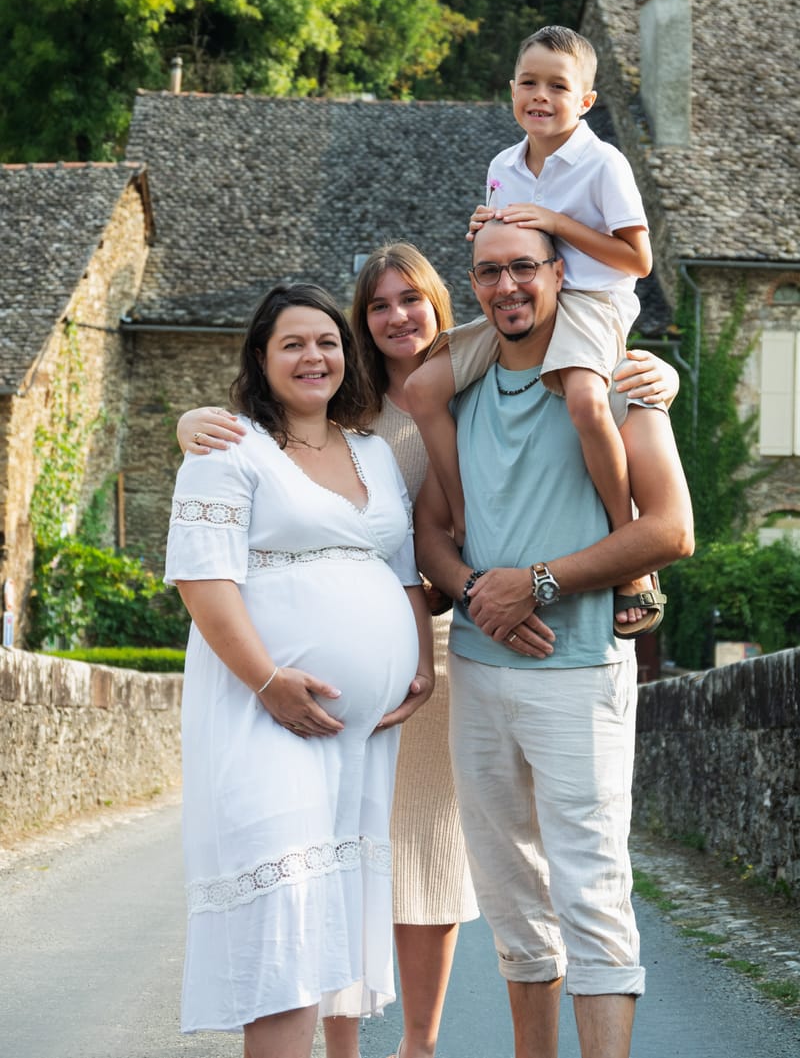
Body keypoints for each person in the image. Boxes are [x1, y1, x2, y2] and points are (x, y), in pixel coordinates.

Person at [177, 247, 679, 1058]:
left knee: (467, 864)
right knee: (351, 863)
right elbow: (416, 534)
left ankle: (420, 1043)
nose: (396, 317)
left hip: (486, 658)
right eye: (377, 306)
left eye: (412, 298)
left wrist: (533, 584)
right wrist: (187, 420)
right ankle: (348, 1047)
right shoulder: (365, 411)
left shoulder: (538, 380)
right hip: (452, 645)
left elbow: (663, 515)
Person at [413, 219, 694, 1058]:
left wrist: (535, 582)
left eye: (524, 268)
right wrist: (474, 590)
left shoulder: (620, 383)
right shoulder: (458, 391)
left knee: (591, 890)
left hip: (578, 675)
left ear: (560, 273)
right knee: (509, 893)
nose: (508, 286)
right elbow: (430, 530)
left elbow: (672, 529)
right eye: (489, 272)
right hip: (479, 669)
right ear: (474, 285)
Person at [165, 282, 434, 1058]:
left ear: (346, 357)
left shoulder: (375, 452)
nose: (313, 356)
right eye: (292, 343)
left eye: (326, 341)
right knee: (283, 908)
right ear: (261, 357)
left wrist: (418, 666)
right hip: (263, 713)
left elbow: (403, 568)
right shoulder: (226, 446)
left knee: (327, 912)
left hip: (364, 732)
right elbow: (202, 579)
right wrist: (267, 681)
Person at [407, 25, 667, 634]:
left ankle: (626, 547)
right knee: (422, 389)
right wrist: (486, 225)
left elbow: (639, 261)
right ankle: (466, 521)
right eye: (529, 82)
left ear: (585, 101)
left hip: (590, 304)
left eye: (558, 86)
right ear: (512, 90)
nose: (540, 96)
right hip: (523, 298)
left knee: (584, 399)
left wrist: (556, 221)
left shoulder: (604, 163)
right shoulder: (503, 163)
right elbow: (507, 238)